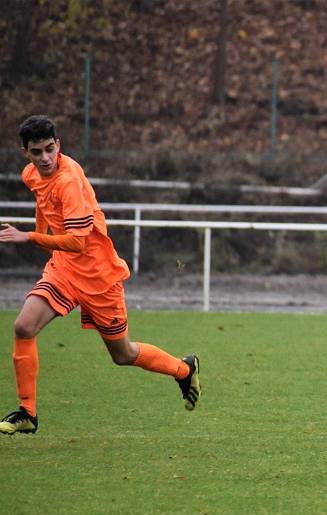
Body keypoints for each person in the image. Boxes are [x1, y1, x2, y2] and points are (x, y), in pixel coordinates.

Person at [0, 115, 202, 435]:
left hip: (98, 276)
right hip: (64, 269)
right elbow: (41, 199)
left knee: (123, 354)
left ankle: (183, 369)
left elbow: (78, 243)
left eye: (50, 149)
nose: (45, 158)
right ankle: (27, 412)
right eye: (37, 152)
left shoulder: (69, 182)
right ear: (25, 153)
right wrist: (40, 231)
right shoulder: (31, 174)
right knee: (23, 326)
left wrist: (32, 237)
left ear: (59, 145)